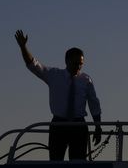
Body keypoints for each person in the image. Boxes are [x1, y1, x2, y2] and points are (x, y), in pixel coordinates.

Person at [14, 30, 102, 161]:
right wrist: (23, 47)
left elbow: (94, 104)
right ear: (66, 61)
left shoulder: (86, 80)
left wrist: (98, 126)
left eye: (81, 64)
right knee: (55, 161)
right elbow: (33, 65)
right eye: (75, 63)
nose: (78, 66)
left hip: (78, 125)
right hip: (58, 123)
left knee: (78, 163)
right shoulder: (54, 75)